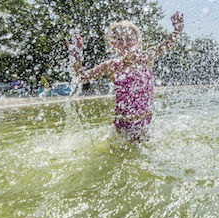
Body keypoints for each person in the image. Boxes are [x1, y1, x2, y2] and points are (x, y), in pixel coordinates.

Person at [65, 12, 184, 142]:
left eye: (128, 38)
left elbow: (166, 44)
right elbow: (81, 77)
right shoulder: (112, 66)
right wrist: (76, 56)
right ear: (113, 44)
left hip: (147, 124)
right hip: (123, 127)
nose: (124, 43)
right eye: (119, 39)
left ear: (138, 42)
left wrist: (177, 30)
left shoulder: (146, 57)